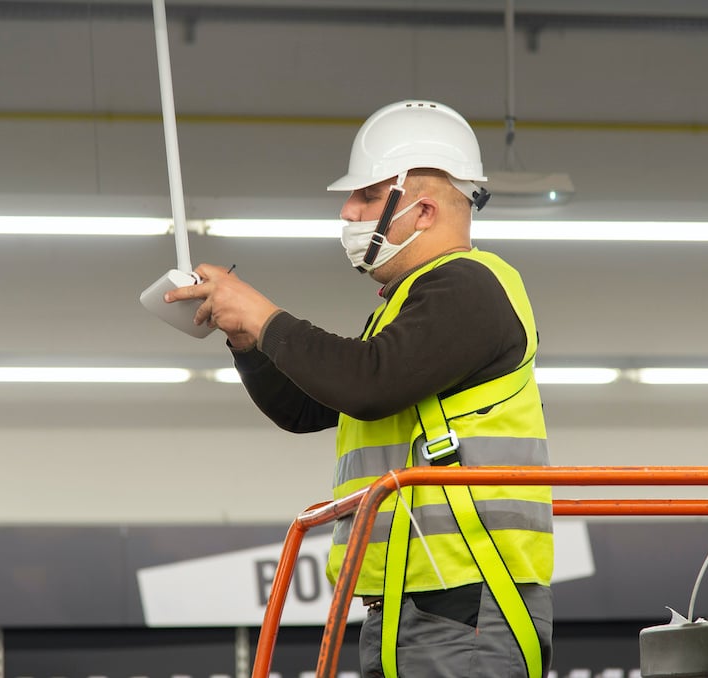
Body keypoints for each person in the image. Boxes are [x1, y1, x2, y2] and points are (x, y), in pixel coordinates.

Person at [165, 100, 553, 678]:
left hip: (466, 603)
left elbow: (366, 382)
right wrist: (247, 338)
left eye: (366, 195)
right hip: (416, 603)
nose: (347, 210)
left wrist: (266, 315)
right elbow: (306, 407)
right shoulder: (411, 307)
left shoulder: (471, 287)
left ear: (422, 210)